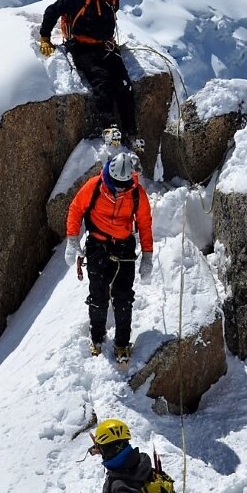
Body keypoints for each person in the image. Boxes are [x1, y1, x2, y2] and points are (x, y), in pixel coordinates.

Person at [38, 0, 140, 147]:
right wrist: (45, 37)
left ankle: (131, 132)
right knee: (101, 80)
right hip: (81, 46)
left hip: (105, 45)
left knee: (123, 83)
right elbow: (52, 11)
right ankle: (109, 126)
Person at [64, 152, 153, 362]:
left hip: (123, 247)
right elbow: (76, 209)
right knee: (98, 296)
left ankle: (122, 343)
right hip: (98, 245)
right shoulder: (95, 186)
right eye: (116, 183)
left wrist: (147, 255)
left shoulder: (136, 193)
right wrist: (72, 240)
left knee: (123, 298)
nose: (120, 188)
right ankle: (97, 337)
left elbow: (145, 223)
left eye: (124, 184)